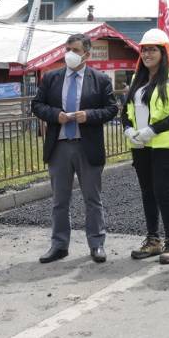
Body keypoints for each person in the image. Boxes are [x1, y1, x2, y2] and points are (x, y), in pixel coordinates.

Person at [32, 34, 118, 263]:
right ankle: (59, 245)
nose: (69, 54)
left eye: (75, 50)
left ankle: (97, 244)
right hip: (59, 146)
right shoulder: (51, 78)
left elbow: (111, 109)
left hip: (86, 146)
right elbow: (37, 105)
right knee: (60, 200)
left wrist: (88, 116)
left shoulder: (100, 80)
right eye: (67, 49)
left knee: (92, 198)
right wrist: (55, 115)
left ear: (87, 55)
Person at [121, 29, 169, 264]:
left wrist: (153, 129)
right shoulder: (136, 78)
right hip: (140, 146)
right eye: (144, 49)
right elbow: (126, 110)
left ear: (163, 52)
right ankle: (153, 240)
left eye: (153, 49)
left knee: (162, 192)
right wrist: (128, 129)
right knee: (147, 193)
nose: (147, 53)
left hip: (165, 145)